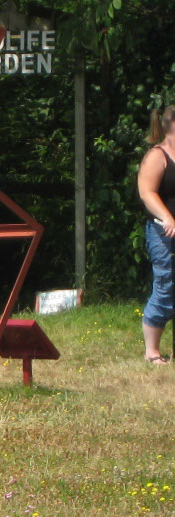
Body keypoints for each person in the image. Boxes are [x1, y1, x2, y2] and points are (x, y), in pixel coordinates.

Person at [138, 104, 175, 364]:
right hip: (163, 233)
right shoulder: (157, 155)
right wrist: (168, 217)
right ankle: (152, 352)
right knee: (166, 287)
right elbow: (147, 193)